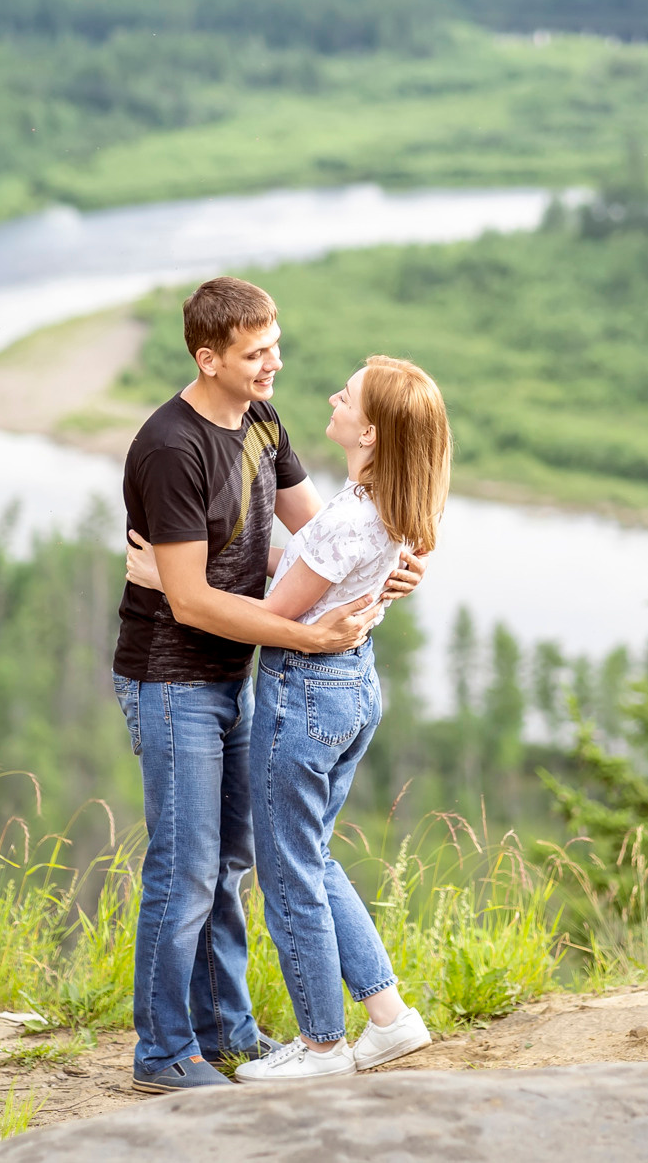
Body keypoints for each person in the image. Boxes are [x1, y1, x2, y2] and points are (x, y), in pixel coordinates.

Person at [112, 276, 427, 1095]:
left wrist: (385, 562)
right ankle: (163, 1052)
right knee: (184, 867)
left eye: (275, 344)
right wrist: (310, 631)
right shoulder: (171, 448)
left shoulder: (260, 420)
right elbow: (187, 603)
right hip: (173, 676)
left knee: (232, 863)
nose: (275, 363)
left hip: (236, 672)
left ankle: (225, 1031)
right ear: (206, 357)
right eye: (256, 353)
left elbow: (319, 533)